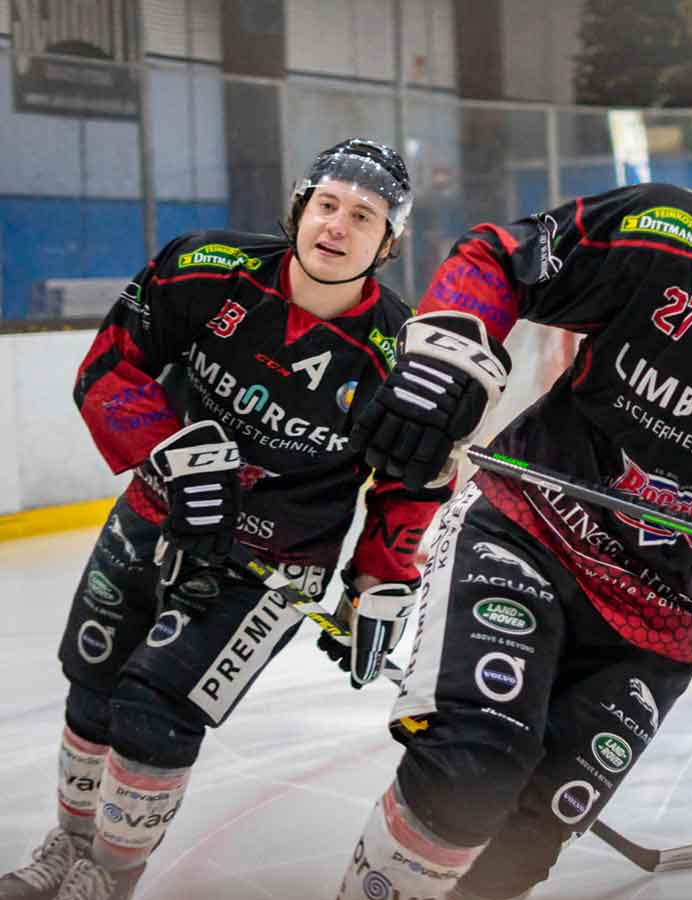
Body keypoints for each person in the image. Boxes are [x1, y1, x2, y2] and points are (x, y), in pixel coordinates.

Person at [337, 80, 692, 900]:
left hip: (660, 619)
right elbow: (502, 258)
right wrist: (449, 349)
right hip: (528, 536)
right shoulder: (670, 234)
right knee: (473, 767)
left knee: (519, 853)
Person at [0, 139, 458, 900]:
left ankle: (107, 882)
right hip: (154, 514)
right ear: (300, 208)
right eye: (327, 205)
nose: (337, 226)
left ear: (390, 242)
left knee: (156, 710)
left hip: (268, 568)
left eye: (364, 216)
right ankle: (70, 849)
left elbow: (407, 484)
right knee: (93, 683)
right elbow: (109, 365)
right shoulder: (206, 269)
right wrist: (171, 454)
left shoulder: (398, 359)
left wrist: (383, 579)